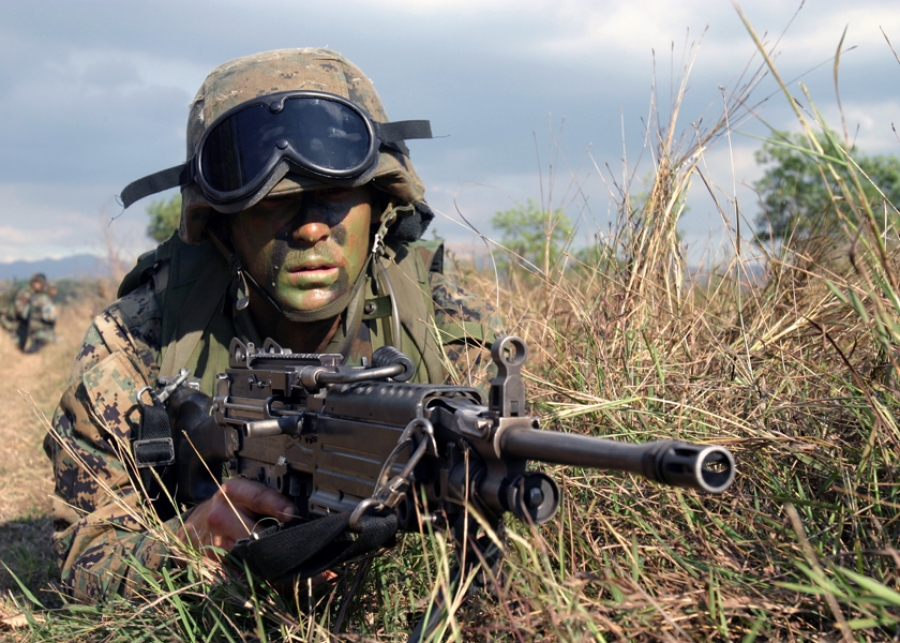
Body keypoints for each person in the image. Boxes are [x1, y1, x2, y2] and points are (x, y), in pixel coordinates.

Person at [44, 48, 501, 602]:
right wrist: (193, 543)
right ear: (222, 226)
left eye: (334, 196)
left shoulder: (447, 327)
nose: (310, 230)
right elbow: (81, 562)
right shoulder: (140, 340)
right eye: (272, 203)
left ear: (380, 204)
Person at [11, 273, 46, 351]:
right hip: (17, 325)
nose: (40, 285)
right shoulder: (26, 293)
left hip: (25, 326)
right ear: (33, 283)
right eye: (38, 283)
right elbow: (20, 311)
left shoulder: (36, 294)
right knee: (16, 347)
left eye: (41, 283)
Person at [25, 283, 58, 353]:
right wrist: (55, 313)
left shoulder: (35, 297)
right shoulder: (45, 299)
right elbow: (49, 317)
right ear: (49, 290)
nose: (55, 291)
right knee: (60, 342)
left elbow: (25, 314)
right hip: (42, 332)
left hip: (32, 330)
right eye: (53, 289)